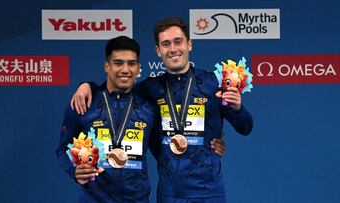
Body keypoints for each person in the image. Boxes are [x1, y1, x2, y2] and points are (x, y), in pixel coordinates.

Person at [71, 17, 252, 202]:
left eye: (178, 42)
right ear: (158, 51)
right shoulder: (149, 89)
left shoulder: (213, 84)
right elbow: (115, 90)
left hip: (209, 191)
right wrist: (87, 85)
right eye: (166, 44)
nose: (173, 49)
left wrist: (238, 109)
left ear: (189, 44)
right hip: (168, 194)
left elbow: (245, 127)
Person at [56, 36, 161, 202]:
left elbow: (165, 150)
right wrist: (73, 169)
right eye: (118, 63)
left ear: (138, 67)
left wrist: (212, 143)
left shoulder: (149, 107)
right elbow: (63, 148)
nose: (125, 70)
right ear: (107, 65)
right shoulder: (84, 103)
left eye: (131, 63)